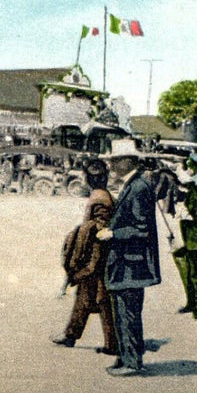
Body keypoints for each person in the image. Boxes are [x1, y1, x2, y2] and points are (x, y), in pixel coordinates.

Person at [97, 139, 161, 376]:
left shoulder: (138, 187)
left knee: (129, 314)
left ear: (128, 161)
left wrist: (112, 233)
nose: (111, 165)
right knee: (122, 313)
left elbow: (141, 228)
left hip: (132, 263)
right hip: (127, 262)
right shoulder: (132, 185)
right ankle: (126, 357)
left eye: (115, 160)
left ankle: (132, 362)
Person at [51, 159, 118, 355]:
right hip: (95, 256)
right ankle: (71, 335)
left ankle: (112, 344)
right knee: (85, 297)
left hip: (96, 257)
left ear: (89, 178)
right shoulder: (101, 194)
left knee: (102, 299)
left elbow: (99, 228)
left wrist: (86, 252)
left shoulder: (100, 198)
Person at [171, 153, 197, 319]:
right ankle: (193, 302)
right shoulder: (196, 185)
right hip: (190, 230)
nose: (187, 171)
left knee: (196, 271)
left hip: (196, 233)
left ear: (195, 169)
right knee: (189, 268)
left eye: (190, 168)